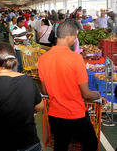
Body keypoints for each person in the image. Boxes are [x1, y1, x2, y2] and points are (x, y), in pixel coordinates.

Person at [38, 20, 101, 151]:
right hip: (75, 115)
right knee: (91, 144)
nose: (75, 39)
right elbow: (86, 94)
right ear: (70, 36)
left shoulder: (43, 59)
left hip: (55, 115)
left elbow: (44, 90)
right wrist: (98, 96)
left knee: (60, 146)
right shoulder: (76, 58)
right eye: (76, 36)